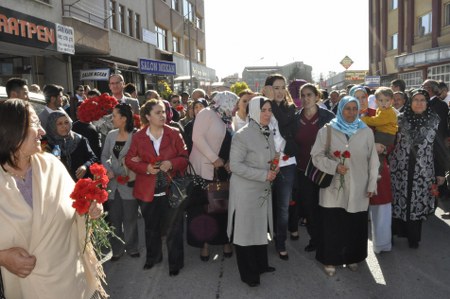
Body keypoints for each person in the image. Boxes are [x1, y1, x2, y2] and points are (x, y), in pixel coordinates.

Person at [0, 99, 106, 298]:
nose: (42, 131)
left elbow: (77, 207)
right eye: (34, 124)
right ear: (11, 130)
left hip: (76, 283)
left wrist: (92, 207)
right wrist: (3, 258)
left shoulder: (52, 166)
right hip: (29, 289)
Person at [311, 96, 379, 276]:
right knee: (332, 225)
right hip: (333, 188)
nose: (351, 112)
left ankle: (352, 257)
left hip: (359, 187)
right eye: (347, 108)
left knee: (354, 225)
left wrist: (372, 184)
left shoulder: (365, 132)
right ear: (340, 109)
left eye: (354, 109)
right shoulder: (327, 131)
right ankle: (330, 260)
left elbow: (373, 160)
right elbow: (316, 156)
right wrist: (334, 166)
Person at [125, 99, 188, 276]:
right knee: (151, 228)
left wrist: (172, 163)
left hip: (171, 189)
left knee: (174, 228)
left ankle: (175, 263)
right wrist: (145, 167)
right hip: (147, 190)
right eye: (158, 112)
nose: (163, 115)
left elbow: (184, 157)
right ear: (148, 116)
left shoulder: (174, 133)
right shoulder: (138, 136)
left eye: (163, 112)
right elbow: (129, 160)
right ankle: (153, 258)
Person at [227, 96, 277, 287]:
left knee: (259, 228)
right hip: (246, 190)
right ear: (254, 111)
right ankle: (249, 274)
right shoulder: (242, 134)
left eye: (269, 110)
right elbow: (235, 166)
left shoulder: (267, 132)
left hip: (261, 188)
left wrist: (274, 167)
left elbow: (268, 156)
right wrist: (264, 174)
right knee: (245, 232)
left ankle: (261, 265)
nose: (267, 114)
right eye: (263, 110)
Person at [390, 89, 446, 249]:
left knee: (416, 203)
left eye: (423, 100)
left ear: (427, 103)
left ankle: (413, 238)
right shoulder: (399, 119)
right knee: (399, 201)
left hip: (423, 171)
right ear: (410, 102)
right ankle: (396, 233)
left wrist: (440, 172)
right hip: (399, 170)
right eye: (416, 99)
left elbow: (439, 148)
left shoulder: (435, 121)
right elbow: (391, 142)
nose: (419, 103)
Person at [187, 91, 237, 261]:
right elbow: (197, 138)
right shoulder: (206, 113)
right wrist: (214, 159)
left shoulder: (228, 118)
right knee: (202, 210)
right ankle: (205, 244)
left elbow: (232, 142)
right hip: (203, 170)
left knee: (221, 208)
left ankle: (224, 241)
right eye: (234, 103)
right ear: (225, 102)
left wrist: (231, 160)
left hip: (222, 170)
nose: (236, 107)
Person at [290, 83, 335, 252]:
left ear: (317, 97)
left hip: (324, 169)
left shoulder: (328, 117)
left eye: (309, 95)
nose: (306, 98)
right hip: (303, 170)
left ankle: (328, 239)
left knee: (326, 206)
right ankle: (315, 239)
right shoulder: (295, 118)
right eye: (303, 95)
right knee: (309, 207)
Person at [351, 85, 393, 254]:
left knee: (381, 206)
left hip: (378, 168)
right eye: (357, 96)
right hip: (354, 168)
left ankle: (382, 244)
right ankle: (355, 248)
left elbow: (390, 141)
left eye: (363, 97)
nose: (360, 100)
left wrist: (383, 149)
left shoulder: (378, 114)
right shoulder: (344, 115)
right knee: (355, 210)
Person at [261, 74, 297, 260]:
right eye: (276, 87)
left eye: (283, 87)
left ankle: (280, 241)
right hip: (264, 166)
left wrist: (271, 102)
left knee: (283, 207)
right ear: (267, 89)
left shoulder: (290, 108)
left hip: (286, 164)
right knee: (263, 204)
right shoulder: (262, 109)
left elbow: (283, 122)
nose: (280, 91)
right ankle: (262, 238)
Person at [101, 103, 140, 261]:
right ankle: (117, 249)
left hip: (129, 183)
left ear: (123, 118)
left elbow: (141, 157)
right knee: (114, 218)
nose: (112, 118)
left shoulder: (136, 135)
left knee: (130, 218)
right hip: (113, 184)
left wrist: (134, 163)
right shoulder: (110, 135)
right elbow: (104, 156)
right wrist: (108, 169)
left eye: (114, 116)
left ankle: (132, 247)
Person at [45, 111, 98, 181]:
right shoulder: (46, 144)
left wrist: (85, 166)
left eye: (66, 122)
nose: (64, 126)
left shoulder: (79, 139)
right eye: (59, 124)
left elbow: (93, 158)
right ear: (52, 126)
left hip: (79, 184)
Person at [361, 87, 398, 179]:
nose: (384, 103)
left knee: (377, 154)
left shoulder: (388, 112)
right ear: (376, 101)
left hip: (385, 135)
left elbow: (377, 121)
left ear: (392, 101)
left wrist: (363, 119)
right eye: (381, 100)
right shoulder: (381, 110)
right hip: (383, 134)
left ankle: (376, 173)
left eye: (387, 100)